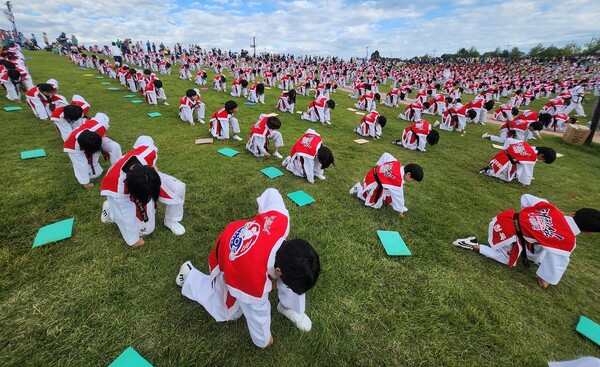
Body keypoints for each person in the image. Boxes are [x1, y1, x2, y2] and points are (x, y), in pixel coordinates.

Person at [175, 188, 320, 348]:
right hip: (227, 252)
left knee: (297, 272)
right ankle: (189, 276)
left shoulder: (281, 220)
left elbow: (272, 192)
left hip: (240, 235)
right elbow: (257, 315)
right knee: (228, 312)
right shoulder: (253, 282)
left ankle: (287, 307)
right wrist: (264, 341)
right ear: (277, 272)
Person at [453, 194, 600, 288]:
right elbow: (556, 262)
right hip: (507, 235)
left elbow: (526, 198)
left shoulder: (551, 208)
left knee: (545, 245)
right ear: (591, 233)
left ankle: (533, 255)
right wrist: (545, 280)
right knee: (507, 259)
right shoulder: (568, 241)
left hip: (503, 219)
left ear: (574, 213)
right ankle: (474, 244)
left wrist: (530, 219)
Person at [100, 136, 186, 247]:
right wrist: (134, 240)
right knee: (146, 230)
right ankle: (110, 210)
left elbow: (145, 138)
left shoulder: (149, 152)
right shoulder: (117, 187)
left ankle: (171, 220)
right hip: (118, 190)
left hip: (144, 176)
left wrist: (153, 166)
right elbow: (125, 217)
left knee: (178, 187)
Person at [349, 152, 423, 217]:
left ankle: (370, 191)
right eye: (413, 179)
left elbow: (386, 154)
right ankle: (359, 189)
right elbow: (399, 196)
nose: (412, 181)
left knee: (389, 189)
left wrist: (378, 165)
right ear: (408, 174)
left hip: (372, 174)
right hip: (373, 182)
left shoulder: (396, 163)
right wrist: (401, 210)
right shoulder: (397, 181)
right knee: (375, 204)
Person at [63, 113, 122, 188]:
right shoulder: (72, 146)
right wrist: (86, 183)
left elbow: (101, 116)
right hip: (76, 146)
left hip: (94, 137)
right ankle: (85, 180)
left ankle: (118, 169)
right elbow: (80, 165)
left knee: (115, 146)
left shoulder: (101, 126)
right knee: (85, 167)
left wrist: (102, 137)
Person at [478, 138, 556, 187]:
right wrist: (524, 183)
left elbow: (509, 140)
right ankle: (489, 171)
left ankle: (490, 167)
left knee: (518, 166)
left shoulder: (524, 144)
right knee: (507, 179)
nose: (539, 160)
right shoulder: (532, 157)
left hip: (500, 155)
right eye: (542, 159)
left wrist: (507, 150)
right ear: (541, 155)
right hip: (505, 163)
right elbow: (527, 172)